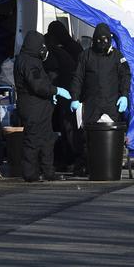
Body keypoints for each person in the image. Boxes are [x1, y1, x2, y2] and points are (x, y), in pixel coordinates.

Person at [69, 23, 131, 174]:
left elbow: (125, 76)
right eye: (99, 40)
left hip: (112, 103)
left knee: (113, 135)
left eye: (105, 40)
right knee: (88, 136)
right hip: (92, 103)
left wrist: (124, 95)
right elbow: (78, 78)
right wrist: (74, 97)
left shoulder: (117, 56)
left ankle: (113, 163)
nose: (102, 44)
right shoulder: (86, 55)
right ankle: (88, 165)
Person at [14, 30, 71, 182]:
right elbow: (38, 85)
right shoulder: (29, 62)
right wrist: (56, 90)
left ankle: (48, 171)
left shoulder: (29, 60)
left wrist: (50, 95)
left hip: (39, 106)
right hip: (33, 107)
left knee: (47, 139)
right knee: (33, 140)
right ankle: (30, 173)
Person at [44, 22, 79, 171]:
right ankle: (73, 159)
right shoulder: (73, 47)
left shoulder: (60, 51)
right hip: (73, 93)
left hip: (68, 93)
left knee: (68, 128)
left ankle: (71, 158)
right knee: (71, 127)